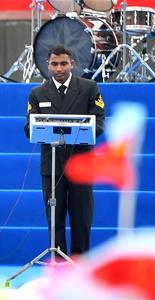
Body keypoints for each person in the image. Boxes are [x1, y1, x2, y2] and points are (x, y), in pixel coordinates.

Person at [25, 46, 105, 257]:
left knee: (82, 219)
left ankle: (80, 264)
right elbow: (28, 128)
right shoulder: (37, 93)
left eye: (63, 63)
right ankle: (59, 264)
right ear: (48, 65)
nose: (59, 68)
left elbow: (100, 122)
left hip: (81, 164)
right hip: (52, 166)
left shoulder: (89, 88)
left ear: (72, 64)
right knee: (55, 218)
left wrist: (79, 133)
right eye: (54, 64)